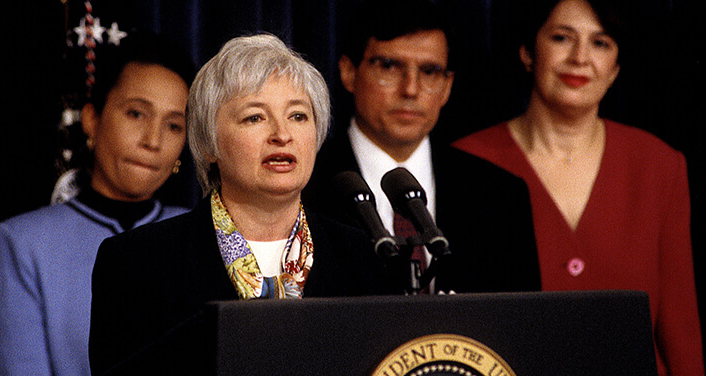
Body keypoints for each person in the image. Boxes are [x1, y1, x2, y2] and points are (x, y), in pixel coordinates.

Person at [87, 33, 392, 375]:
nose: (282, 134)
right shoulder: (137, 263)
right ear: (207, 145)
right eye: (255, 118)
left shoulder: (362, 258)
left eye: (298, 116)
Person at [452, 0, 704, 374]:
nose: (580, 57)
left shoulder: (659, 165)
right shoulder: (467, 162)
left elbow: (680, 328)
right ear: (527, 52)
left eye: (601, 43)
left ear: (616, 67)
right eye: (561, 38)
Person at [0, 33, 195, 376]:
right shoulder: (21, 243)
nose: (153, 141)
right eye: (136, 114)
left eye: (174, 125)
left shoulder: (207, 235)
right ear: (91, 120)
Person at [303, 0, 541, 294]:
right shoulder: (304, 188)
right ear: (349, 71)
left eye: (429, 72)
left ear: (447, 86)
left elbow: (523, 324)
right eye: (389, 66)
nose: (411, 89)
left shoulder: (500, 195)